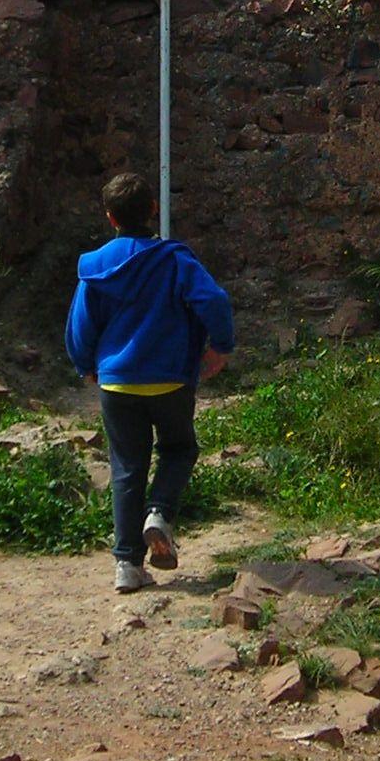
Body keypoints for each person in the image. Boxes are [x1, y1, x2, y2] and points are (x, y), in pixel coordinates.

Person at [65, 170, 234, 593]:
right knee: (179, 449)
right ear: (153, 210)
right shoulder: (176, 260)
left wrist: (85, 363)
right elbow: (213, 299)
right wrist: (221, 346)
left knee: (126, 468)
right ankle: (159, 514)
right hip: (171, 379)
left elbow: (81, 323)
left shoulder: (96, 266)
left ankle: (127, 566)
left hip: (117, 383)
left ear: (110, 217)